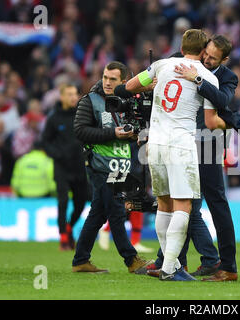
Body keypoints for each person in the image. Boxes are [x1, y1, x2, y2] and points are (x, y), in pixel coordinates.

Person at [145, 35, 240, 281]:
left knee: (216, 204)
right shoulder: (178, 63)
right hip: (178, 145)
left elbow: (222, 100)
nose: (207, 59)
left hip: (208, 146)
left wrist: (199, 79)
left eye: (213, 58)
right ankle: (174, 263)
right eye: (206, 53)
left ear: (224, 59)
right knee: (180, 205)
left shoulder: (226, 77)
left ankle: (228, 267)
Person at [125, 29, 226, 281]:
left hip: (154, 144)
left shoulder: (161, 65)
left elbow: (129, 87)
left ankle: (168, 265)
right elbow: (211, 122)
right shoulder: (206, 77)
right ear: (204, 52)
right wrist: (234, 123)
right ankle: (171, 267)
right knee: (184, 205)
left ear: (181, 47)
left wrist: (151, 86)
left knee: (164, 203)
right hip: (180, 144)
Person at [71, 61, 153, 274]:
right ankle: (131, 259)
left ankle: (81, 260)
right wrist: (113, 134)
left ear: (124, 82)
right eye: (105, 77)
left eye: (113, 79)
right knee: (116, 211)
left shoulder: (127, 102)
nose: (107, 82)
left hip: (121, 165)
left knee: (98, 213)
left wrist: (134, 136)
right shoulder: (90, 100)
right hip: (100, 165)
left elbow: (131, 131)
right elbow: (80, 131)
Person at [41, 84, 88, 251]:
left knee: (81, 203)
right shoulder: (54, 118)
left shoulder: (82, 115)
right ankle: (63, 237)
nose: (73, 97)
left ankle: (69, 227)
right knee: (63, 201)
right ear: (61, 97)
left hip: (80, 166)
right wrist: (58, 154)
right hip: (61, 167)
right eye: (69, 94)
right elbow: (45, 142)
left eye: (75, 93)